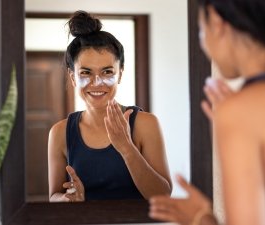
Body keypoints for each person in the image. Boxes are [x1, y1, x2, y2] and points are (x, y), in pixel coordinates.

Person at [149, 0, 265, 225]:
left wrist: (200, 218)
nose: (203, 43)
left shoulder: (242, 111)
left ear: (216, 20)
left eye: (201, 29)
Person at [47, 10, 172, 202]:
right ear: (73, 78)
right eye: (86, 73)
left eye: (107, 72)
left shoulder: (146, 124)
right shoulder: (59, 133)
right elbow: (53, 196)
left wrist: (127, 148)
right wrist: (66, 199)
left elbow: (162, 196)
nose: (97, 82)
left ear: (120, 74)